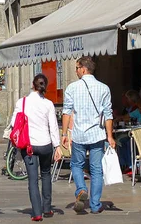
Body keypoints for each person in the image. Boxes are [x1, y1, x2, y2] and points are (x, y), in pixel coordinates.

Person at [62, 56, 115, 214]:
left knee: (76, 165)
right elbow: (108, 114)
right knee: (96, 170)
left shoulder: (72, 88)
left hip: (79, 135)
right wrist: (110, 136)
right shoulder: (104, 88)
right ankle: (95, 204)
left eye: (77, 68)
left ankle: (81, 189)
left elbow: (66, 112)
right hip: (97, 135)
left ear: (83, 69)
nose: (76, 71)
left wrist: (64, 133)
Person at [11, 74, 62, 221]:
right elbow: (53, 126)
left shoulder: (22, 102)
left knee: (33, 179)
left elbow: (14, 122)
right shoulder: (48, 104)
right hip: (46, 144)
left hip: (29, 145)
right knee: (46, 174)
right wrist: (57, 146)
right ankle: (47, 209)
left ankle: (37, 213)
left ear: (33, 85)